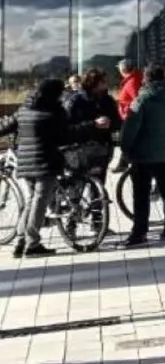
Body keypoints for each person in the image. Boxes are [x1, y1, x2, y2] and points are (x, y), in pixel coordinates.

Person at [1, 79, 110, 257]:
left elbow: (5, 126)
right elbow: (66, 135)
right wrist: (92, 125)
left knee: (32, 201)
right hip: (46, 162)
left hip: (25, 162)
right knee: (39, 202)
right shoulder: (53, 111)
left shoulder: (24, 109)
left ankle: (21, 241)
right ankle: (32, 244)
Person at [116, 65, 165, 246]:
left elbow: (129, 130)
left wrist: (125, 149)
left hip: (142, 155)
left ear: (146, 79)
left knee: (141, 194)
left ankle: (140, 232)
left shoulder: (143, 99)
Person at [64, 68, 120, 188]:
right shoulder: (75, 101)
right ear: (93, 83)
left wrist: (111, 123)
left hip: (101, 149)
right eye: (103, 82)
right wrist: (93, 124)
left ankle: (97, 205)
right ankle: (74, 203)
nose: (106, 84)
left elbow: (118, 122)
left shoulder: (107, 100)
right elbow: (66, 129)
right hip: (79, 150)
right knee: (77, 186)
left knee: (98, 186)